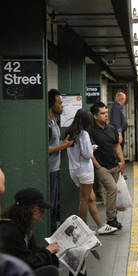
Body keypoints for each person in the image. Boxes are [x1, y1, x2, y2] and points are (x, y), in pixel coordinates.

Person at [65, 109, 118, 235]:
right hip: (84, 171)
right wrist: (92, 148)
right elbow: (87, 154)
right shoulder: (83, 134)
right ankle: (82, 229)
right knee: (84, 200)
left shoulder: (70, 132)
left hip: (74, 170)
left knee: (91, 198)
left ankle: (101, 226)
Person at [0, 188, 59, 276]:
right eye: (40, 210)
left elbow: (32, 252)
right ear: (30, 209)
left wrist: (50, 250)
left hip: (21, 267)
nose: (41, 215)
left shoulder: (23, 225)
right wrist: (47, 252)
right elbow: (29, 262)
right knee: (51, 271)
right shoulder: (10, 231)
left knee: (52, 258)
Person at [90, 102, 124, 230]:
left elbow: (116, 145)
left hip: (114, 165)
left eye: (106, 113)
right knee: (112, 189)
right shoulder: (91, 131)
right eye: (102, 113)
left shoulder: (112, 129)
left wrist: (122, 161)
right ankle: (111, 219)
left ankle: (112, 216)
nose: (106, 116)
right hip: (102, 167)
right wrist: (97, 165)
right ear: (95, 116)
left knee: (111, 193)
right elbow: (89, 149)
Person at [48, 89, 74, 233]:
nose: (62, 106)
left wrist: (62, 143)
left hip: (56, 168)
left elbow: (54, 143)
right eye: (60, 103)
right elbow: (43, 149)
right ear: (51, 104)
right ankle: (51, 233)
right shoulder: (46, 123)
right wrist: (62, 146)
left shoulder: (54, 121)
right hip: (49, 170)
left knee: (56, 203)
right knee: (51, 204)